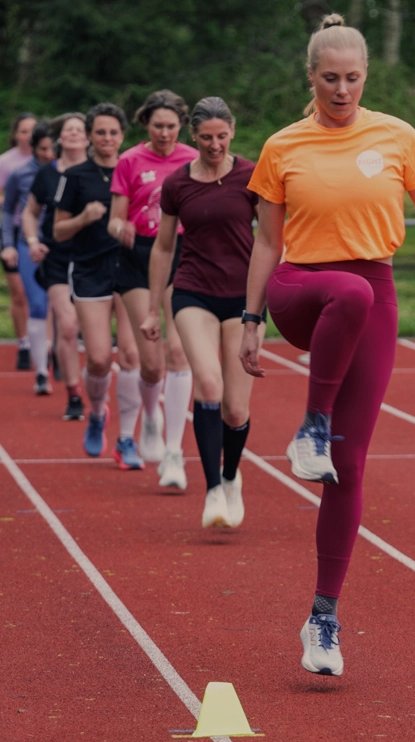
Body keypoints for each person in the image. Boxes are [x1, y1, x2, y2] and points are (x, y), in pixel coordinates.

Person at [240, 14, 415, 677]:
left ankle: (323, 618)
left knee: (351, 467)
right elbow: (268, 243)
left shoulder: (397, 136)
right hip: (299, 289)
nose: (342, 91)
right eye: (330, 79)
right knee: (351, 295)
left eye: (353, 79)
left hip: (375, 291)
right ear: (310, 77)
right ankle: (310, 423)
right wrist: (250, 318)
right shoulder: (282, 146)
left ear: (367, 76)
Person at [140, 97, 260, 529]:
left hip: (243, 298)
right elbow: (164, 247)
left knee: (235, 409)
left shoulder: (252, 176)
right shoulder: (177, 184)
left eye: (222, 137)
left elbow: (270, 243)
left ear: (233, 132)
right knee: (206, 382)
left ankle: (231, 478)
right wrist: (153, 309)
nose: (214, 145)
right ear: (194, 136)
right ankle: (212, 490)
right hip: (193, 291)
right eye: (206, 138)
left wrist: (264, 304)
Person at [108, 90, 198, 491]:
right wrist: (119, 227)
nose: (164, 133)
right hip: (137, 255)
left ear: (181, 126)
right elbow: (114, 217)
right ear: (147, 124)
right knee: (151, 362)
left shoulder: (193, 160)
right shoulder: (129, 160)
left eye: (171, 126)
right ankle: (150, 417)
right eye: (157, 126)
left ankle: (174, 449)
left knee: (179, 350)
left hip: (181, 252)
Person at [53, 103, 145, 468]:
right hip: (90, 271)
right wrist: (83, 217)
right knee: (98, 358)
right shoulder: (75, 176)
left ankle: (126, 440)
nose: (107, 139)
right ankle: (96, 412)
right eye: (101, 132)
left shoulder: (136, 170)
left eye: (113, 132)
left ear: (123, 136)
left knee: (132, 354)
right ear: (90, 135)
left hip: (130, 268)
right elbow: (58, 231)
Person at [21, 112, 90, 421]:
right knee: (68, 324)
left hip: (95, 257)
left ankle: (93, 375)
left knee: (95, 335)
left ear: (89, 137)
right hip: (58, 256)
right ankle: (74, 393)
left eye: (80, 129)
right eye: (69, 129)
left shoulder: (101, 172)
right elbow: (29, 212)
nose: (74, 133)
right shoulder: (47, 174)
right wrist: (33, 241)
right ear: (60, 137)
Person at [1, 120, 56, 396]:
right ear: (33, 148)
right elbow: (6, 209)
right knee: (37, 305)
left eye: (52, 148)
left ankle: (58, 353)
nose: (49, 153)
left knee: (63, 309)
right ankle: (41, 371)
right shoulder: (20, 174)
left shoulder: (69, 173)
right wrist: (8, 245)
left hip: (61, 246)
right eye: (44, 148)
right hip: (28, 246)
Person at [0, 113, 37, 370]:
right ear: (16, 134)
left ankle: (48, 345)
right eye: (23, 131)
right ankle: (24, 344)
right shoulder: (6, 163)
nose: (28, 136)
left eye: (32, 131)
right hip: (14, 231)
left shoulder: (49, 161)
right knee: (19, 293)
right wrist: (17, 200)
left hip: (41, 232)